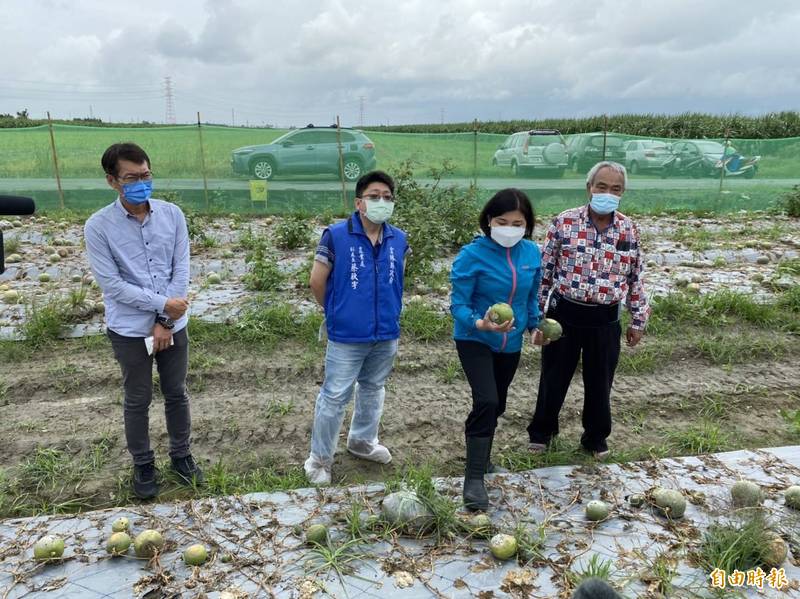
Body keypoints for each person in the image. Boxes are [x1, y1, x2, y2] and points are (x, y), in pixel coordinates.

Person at [84, 142, 203, 499]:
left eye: (146, 175)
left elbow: (180, 268)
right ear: (112, 181)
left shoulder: (172, 215)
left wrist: (166, 319)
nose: (141, 182)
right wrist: (161, 306)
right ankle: (143, 463)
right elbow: (113, 285)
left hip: (173, 323)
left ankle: (181, 456)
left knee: (176, 393)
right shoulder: (98, 227)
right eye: (132, 177)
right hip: (129, 329)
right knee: (137, 398)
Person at [528, 161, 650, 459]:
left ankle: (595, 437)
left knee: (600, 382)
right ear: (589, 188)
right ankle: (542, 432)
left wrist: (638, 319)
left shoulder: (629, 229)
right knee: (553, 378)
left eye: (615, 189)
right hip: (565, 313)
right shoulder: (564, 223)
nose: (608, 193)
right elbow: (545, 271)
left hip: (605, 318)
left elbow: (636, 277)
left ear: (622, 193)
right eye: (602, 187)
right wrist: (537, 317)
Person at [304, 170, 409, 485]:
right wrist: (338, 312)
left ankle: (362, 441)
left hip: (385, 331)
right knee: (335, 395)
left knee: (373, 389)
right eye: (374, 196)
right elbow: (316, 281)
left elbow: (397, 282)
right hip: (348, 334)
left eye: (387, 197)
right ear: (359, 202)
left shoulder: (399, 239)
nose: (382, 202)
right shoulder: (336, 236)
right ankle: (319, 460)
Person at [450, 188, 544, 511]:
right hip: (474, 338)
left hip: (511, 342)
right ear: (489, 220)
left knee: (496, 404)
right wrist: (480, 323)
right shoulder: (471, 256)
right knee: (487, 399)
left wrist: (535, 327)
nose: (509, 228)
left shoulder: (532, 253)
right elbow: (458, 305)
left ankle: (485, 460)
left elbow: (530, 298)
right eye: (502, 221)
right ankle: (474, 478)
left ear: (527, 225)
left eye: (517, 223)